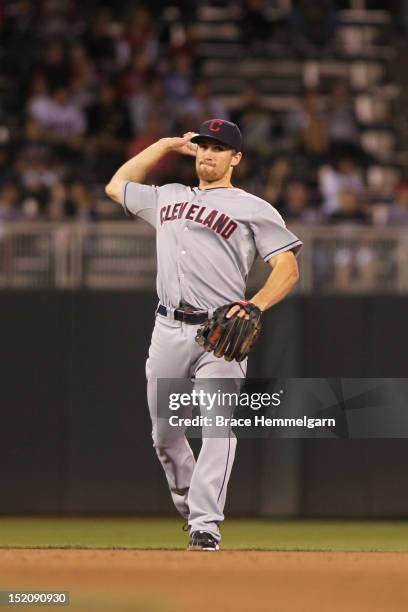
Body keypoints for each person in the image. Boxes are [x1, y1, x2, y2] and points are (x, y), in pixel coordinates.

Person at [105, 119, 301, 551]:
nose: (208, 154)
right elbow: (117, 185)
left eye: (218, 148)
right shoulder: (168, 197)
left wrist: (256, 304)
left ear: (236, 158)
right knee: (165, 435)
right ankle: (192, 508)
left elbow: (288, 268)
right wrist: (162, 146)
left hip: (220, 331)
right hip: (167, 328)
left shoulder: (254, 207)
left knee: (217, 428)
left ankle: (206, 525)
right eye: (203, 147)